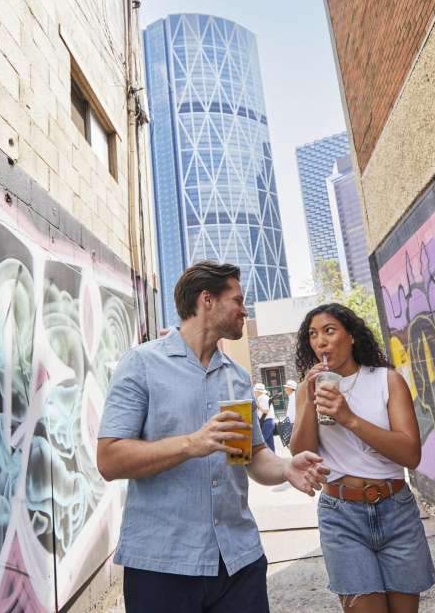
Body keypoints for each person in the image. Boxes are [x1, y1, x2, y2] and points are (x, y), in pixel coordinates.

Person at [97, 261, 330, 613]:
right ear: (207, 300)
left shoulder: (237, 376)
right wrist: (191, 444)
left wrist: (285, 468)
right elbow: (109, 460)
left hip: (239, 563)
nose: (244, 309)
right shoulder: (142, 364)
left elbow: (250, 456)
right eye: (236, 300)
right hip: (161, 566)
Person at [289, 303, 435, 613]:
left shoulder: (387, 380)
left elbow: (410, 454)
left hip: (395, 510)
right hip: (341, 515)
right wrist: (308, 397)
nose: (321, 341)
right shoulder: (308, 388)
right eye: (314, 335)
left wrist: (348, 417)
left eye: (329, 330)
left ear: (352, 336)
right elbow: (302, 455)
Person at [254, 383, 276, 451]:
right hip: (268, 423)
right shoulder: (263, 398)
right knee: (269, 443)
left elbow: (266, 411)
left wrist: (258, 407)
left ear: (259, 391)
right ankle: (273, 458)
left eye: (255, 391)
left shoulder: (264, 398)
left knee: (262, 442)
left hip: (267, 422)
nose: (254, 392)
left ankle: (270, 457)